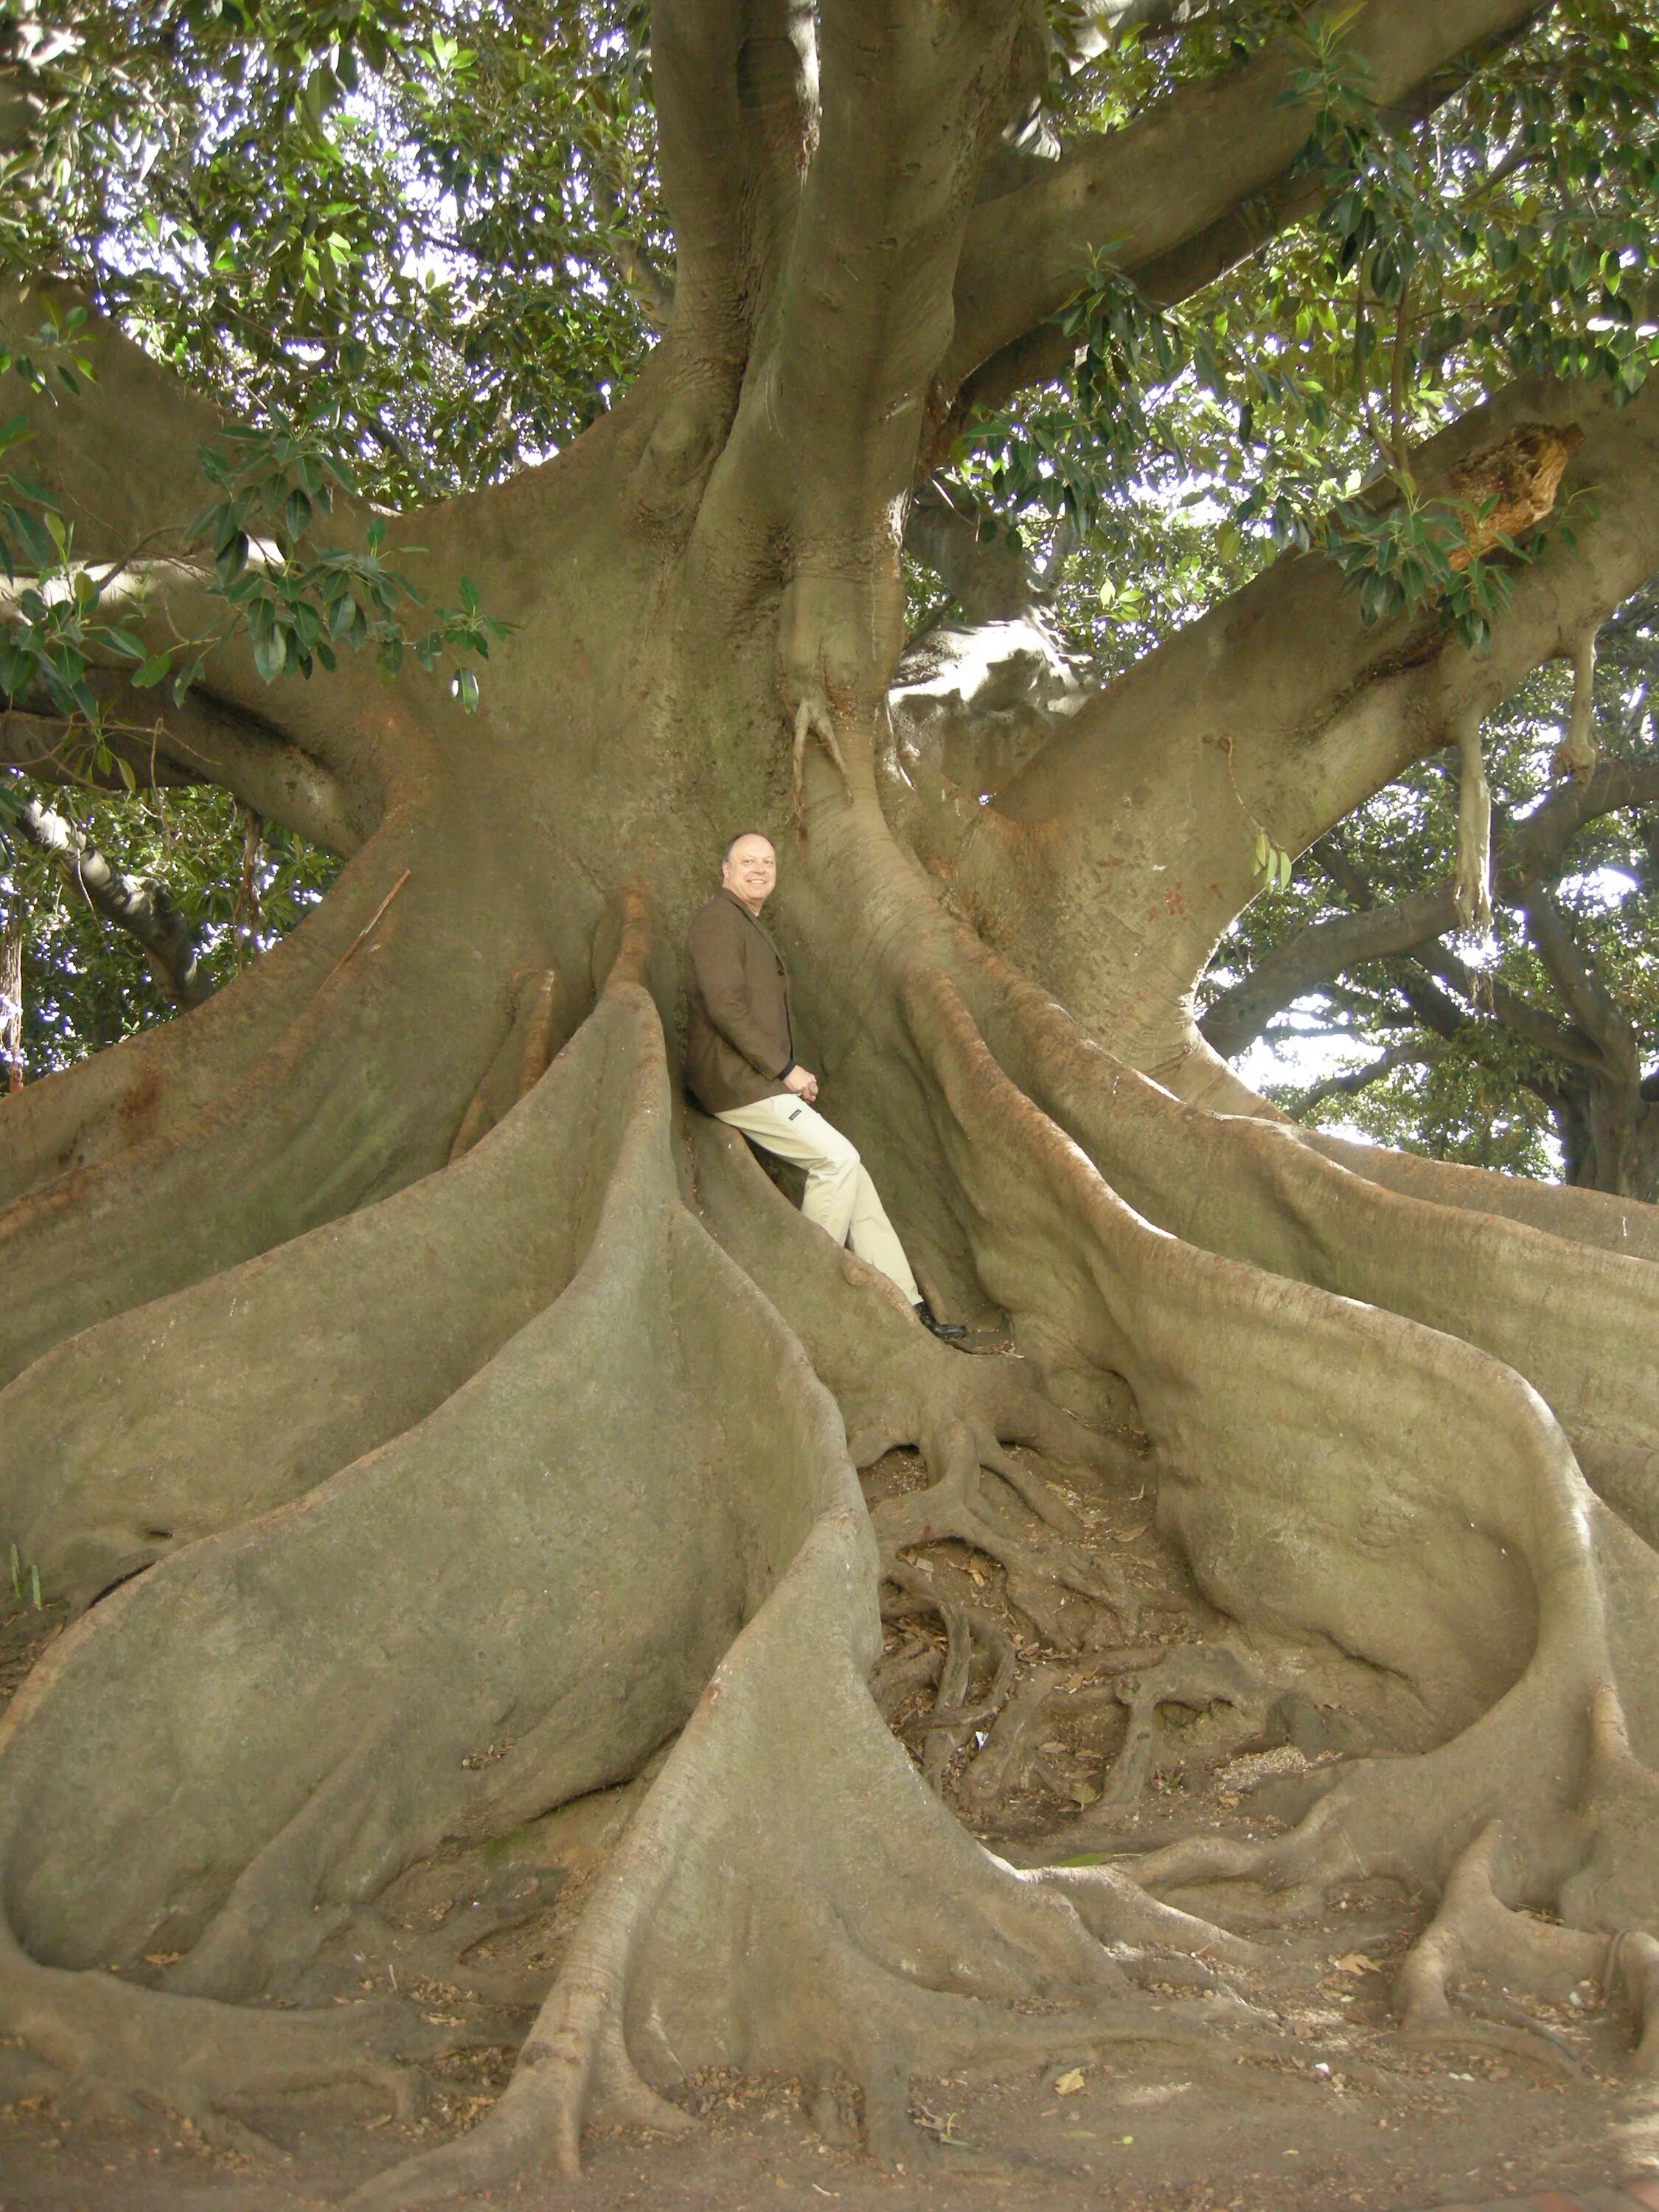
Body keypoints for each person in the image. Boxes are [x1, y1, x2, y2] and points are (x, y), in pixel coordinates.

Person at [684, 832, 966, 1340]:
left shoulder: (745, 923)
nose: (759, 869)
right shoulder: (717, 921)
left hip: (758, 1080)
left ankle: (907, 1305)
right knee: (835, 1161)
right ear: (725, 870)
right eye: (747, 861)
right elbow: (725, 1007)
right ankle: (807, 1292)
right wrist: (784, 1069)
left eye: (767, 862)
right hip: (735, 1084)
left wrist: (783, 1074)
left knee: (853, 1170)